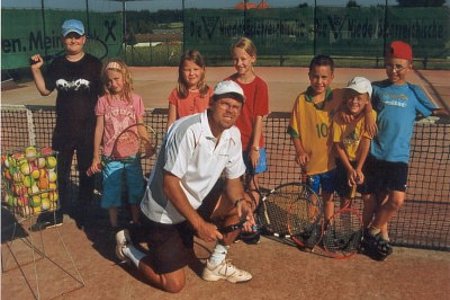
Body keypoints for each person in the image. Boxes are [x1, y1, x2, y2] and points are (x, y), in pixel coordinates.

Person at [115, 80, 256, 293]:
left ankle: (215, 264)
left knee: (247, 201)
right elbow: (169, 185)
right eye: (225, 104)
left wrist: (240, 203)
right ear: (212, 103)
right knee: (173, 284)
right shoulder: (187, 130)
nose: (230, 111)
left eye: (236, 107)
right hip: (162, 211)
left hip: (194, 201)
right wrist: (200, 225)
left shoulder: (233, 135)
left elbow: (234, 182)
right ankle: (127, 249)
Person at [360, 40, 449, 260]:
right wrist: (368, 112)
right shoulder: (377, 88)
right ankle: (382, 237)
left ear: (410, 66)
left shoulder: (413, 91)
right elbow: (356, 99)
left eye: (399, 66)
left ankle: (370, 233)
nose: (394, 70)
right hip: (375, 154)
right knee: (376, 199)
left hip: (398, 158)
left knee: (396, 200)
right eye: (389, 65)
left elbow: (432, 110)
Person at [29, 19, 102, 229]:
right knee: (59, 173)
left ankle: (84, 213)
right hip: (63, 131)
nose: (73, 40)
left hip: (88, 131)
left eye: (77, 36)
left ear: (84, 39)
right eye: (69, 36)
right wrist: (36, 70)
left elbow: (104, 97)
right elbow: (45, 90)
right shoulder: (57, 64)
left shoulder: (95, 64)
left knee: (87, 172)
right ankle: (57, 213)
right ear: (63, 39)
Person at [88, 59, 149, 232]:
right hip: (110, 155)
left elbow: (140, 125)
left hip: (132, 155)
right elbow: (99, 129)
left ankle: (136, 221)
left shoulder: (135, 100)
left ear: (125, 78)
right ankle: (113, 226)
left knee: (135, 188)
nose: (113, 83)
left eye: (117, 79)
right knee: (111, 188)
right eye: (109, 81)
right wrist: (96, 155)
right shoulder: (103, 102)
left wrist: (146, 143)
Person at [287, 55, 341, 232]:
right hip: (310, 164)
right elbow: (294, 130)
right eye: (316, 76)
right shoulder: (301, 100)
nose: (320, 81)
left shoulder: (338, 99)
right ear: (309, 76)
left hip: (330, 163)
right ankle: (311, 227)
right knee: (311, 198)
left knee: (328, 197)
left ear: (332, 77)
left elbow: (359, 106)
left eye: (324, 77)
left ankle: (328, 227)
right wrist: (300, 150)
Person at [227, 37, 269, 243]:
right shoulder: (229, 83)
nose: (239, 63)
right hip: (232, 146)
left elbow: (258, 117)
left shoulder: (260, 86)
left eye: (243, 58)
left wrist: (254, 148)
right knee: (234, 184)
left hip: (253, 146)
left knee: (252, 185)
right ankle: (238, 221)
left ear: (253, 58)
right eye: (235, 59)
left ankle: (250, 222)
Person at [332, 77, 376, 208]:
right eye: (351, 97)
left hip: (364, 162)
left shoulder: (371, 115)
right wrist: (350, 169)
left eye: (359, 98)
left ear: (367, 101)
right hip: (344, 163)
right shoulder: (338, 117)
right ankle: (346, 229)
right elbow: (338, 145)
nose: (354, 101)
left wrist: (358, 168)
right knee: (345, 200)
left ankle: (366, 229)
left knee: (368, 197)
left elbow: (365, 142)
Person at [166, 50, 213, 130]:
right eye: (187, 70)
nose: (191, 73)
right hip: (182, 139)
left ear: (202, 70)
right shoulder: (176, 94)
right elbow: (171, 122)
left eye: (196, 69)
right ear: (181, 71)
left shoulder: (209, 93)